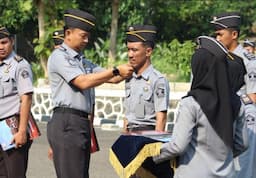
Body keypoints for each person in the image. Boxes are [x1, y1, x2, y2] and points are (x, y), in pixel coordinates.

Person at [47, 9, 133, 178]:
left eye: (88, 36)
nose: (86, 40)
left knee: (80, 173)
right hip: (67, 122)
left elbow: (113, 78)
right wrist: (116, 70)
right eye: (83, 35)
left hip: (80, 124)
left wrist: (132, 66)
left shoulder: (82, 61)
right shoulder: (59, 57)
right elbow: (83, 82)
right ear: (68, 33)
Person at [153, 36, 248, 178]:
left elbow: (178, 146)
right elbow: (242, 144)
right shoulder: (236, 103)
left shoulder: (191, 103)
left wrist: (150, 156)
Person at [211, 12, 256, 178]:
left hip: (245, 124)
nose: (217, 38)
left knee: (243, 170)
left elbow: (253, 96)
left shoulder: (249, 61)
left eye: (220, 34)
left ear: (234, 34)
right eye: (216, 34)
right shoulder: (217, 59)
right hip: (221, 123)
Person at [0, 27, 33, 178]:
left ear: (12, 42)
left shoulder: (20, 65)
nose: (1, 47)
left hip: (11, 128)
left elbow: (26, 98)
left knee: (15, 174)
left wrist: (21, 132)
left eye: (4, 42)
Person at [123, 24, 170, 132]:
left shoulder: (158, 80)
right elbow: (127, 115)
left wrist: (155, 144)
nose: (130, 54)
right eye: (128, 49)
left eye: (134, 50)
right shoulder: (130, 78)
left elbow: (161, 118)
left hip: (147, 134)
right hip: (130, 134)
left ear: (148, 52)